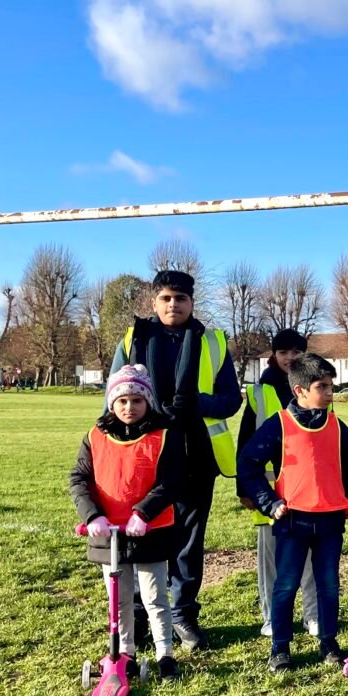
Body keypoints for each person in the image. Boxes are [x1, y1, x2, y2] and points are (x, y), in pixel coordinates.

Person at [110, 269, 241, 651]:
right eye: (166, 298)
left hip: (196, 454)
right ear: (154, 302)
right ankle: (140, 617)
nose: (173, 305)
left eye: (180, 299)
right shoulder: (134, 338)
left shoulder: (213, 341)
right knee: (141, 536)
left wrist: (197, 403)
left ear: (191, 303)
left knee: (188, 542)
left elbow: (231, 400)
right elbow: (112, 398)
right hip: (143, 458)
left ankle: (183, 614)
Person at [237, 354, 348, 672]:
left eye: (331, 386)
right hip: (292, 521)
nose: (330, 393)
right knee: (286, 585)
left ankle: (329, 642)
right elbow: (248, 463)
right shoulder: (278, 424)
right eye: (323, 387)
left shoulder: (336, 425)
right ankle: (280, 648)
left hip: (330, 521)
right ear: (300, 390)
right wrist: (269, 503)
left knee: (328, 584)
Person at [70, 365, 185, 682]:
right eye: (122, 401)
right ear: (112, 403)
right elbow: (79, 479)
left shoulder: (163, 436)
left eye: (137, 400)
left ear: (148, 401)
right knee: (119, 600)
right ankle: (126, 653)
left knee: (154, 597)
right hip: (110, 534)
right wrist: (92, 515)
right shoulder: (95, 437)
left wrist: (144, 512)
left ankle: (165, 654)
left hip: (150, 530)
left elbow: (172, 481)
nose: (129, 407)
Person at [237, 328, 319, 639]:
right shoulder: (260, 392)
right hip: (269, 493)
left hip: (309, 492)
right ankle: (273, 617)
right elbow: (245, 443)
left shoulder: (315, 387)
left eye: (296, 352)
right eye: (283, 352)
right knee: (270, 561)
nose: (290, 358)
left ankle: (313, 615)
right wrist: (245, 490)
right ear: (274, 355)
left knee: (310, 557)